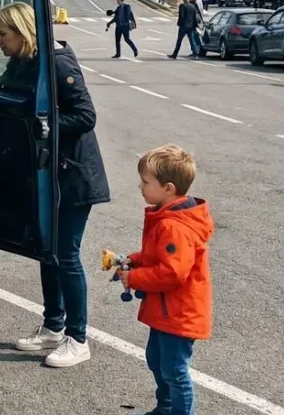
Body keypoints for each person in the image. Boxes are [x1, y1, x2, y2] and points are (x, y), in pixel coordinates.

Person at [0, 3, 111, 368]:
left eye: (3, 34)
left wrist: (42, 125)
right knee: (49, 252)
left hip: (74, 176)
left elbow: (85, 115)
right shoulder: (23, 61)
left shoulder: (58, 62)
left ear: (23, 32)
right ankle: (53, 325)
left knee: (67, 256)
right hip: (50, 174)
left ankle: (78, 337)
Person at [121, 145, 213, 415]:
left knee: (174, 370)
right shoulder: (167, 217)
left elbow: (172, 272)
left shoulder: (174, 225)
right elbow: (158, 256)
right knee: (157, 360)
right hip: (165, 311)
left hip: (178, 314)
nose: (141, 187)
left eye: (147, 182)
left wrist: (133, 277)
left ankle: (177, 410)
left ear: (169, 188)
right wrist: (135, 260)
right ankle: (166, 407)